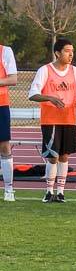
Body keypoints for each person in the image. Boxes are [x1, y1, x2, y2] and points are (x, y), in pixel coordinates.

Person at [27, 37, 76, 203]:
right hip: (50, 119)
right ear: (57, 53)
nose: (71, 54)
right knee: (52, 156)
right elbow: (32, 94)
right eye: (67, 51)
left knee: (65, 156)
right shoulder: (45, 70)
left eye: (72, 51)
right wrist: (51, 98)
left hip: (68, 119)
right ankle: (48, 191)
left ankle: (61, 192)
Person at [0, 40, 17, 201]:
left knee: (4, 146)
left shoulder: (5, 51)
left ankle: (9, 189)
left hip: (1, 104)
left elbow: (13, 79)